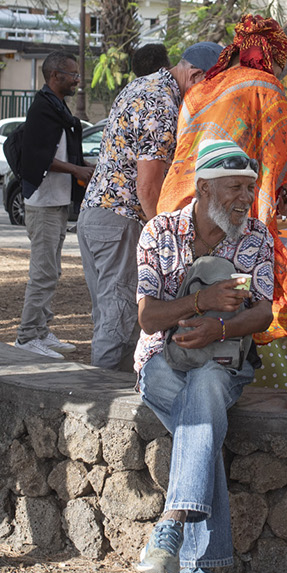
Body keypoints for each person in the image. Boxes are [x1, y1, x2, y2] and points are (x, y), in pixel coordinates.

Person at [132, 139, 275, 573]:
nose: (244, 198)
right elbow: (149, 318)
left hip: (224, 360)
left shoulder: (255, 237)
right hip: (162, 363)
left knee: (211, 386)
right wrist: (203, 301)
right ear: (203, 187)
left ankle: (173, 527)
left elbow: (263, 313)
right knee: (204, 428)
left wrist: (219, 328)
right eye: (234, 187)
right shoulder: (159, 233)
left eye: (249, 189)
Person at [157, 15, 287, 389]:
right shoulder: (266, 86)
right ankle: (234, 371)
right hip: (227, 206)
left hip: (178, 203)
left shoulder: (201, 88)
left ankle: (172, 364)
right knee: (252, 289)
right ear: (271, 57)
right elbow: (279, 152)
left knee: (177, 289)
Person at [79, 41, 221, 370]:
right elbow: (148, 184)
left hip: (97, 215)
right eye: (209, 87)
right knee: (119, 322)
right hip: (122, 219)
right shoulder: (163, 102)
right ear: (196, 75)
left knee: (109, 317)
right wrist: (166, 238)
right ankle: (108, 410)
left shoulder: (142, 84)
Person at [11, 51, 94, 358]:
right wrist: (76, 170)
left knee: (52, 270)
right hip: (43, 203)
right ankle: (26, 336)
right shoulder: (42, 110)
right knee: (43, 271)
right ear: (55, 76)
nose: (77, 81)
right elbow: (37, 157)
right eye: (73, 75)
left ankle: (41, 331)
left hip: (56, 201)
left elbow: (62, 150)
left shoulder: (56, 108)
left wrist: (83, 165)